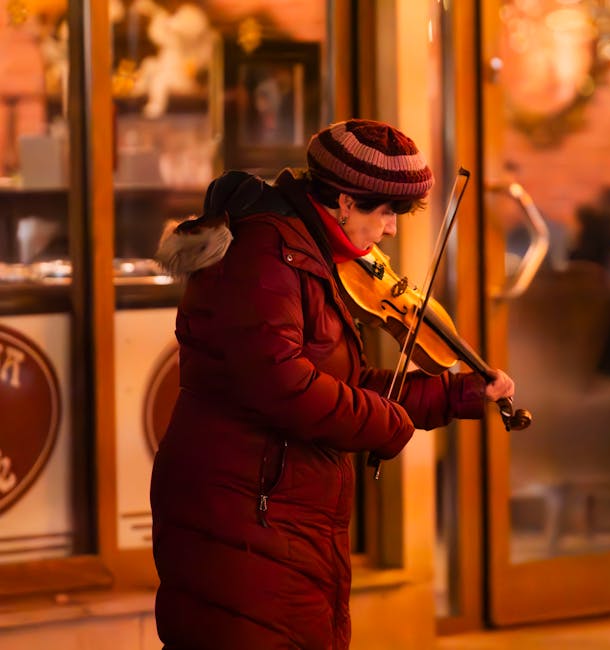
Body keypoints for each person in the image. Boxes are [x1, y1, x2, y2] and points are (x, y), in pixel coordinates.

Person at [149, 119, 515, 650]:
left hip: (279, 504)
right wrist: (388, 426)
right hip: (245, 509)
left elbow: (341, 382)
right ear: (345, 200)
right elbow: (282, 383)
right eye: (385, 211)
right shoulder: (265, 255)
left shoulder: (306, 252)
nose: (390, 230)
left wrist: (456, 394)